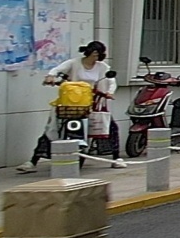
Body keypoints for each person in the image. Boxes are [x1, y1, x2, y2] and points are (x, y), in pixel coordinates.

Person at [18, 41, 125, 173]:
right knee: (52, 128)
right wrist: (50, 76)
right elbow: (57, 70)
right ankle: (33, 161)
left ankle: (116, 158)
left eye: (98, 54)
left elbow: (111, 81)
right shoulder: (74, 63)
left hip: (93, 102)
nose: (95, 57)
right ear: (88, 52)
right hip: (71, 102)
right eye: (94, 54)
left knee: (109, 126)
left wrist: (109, 92)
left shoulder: (102, 67)